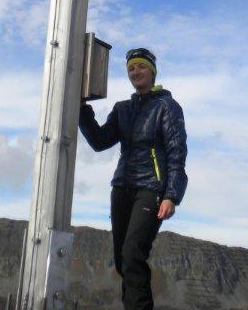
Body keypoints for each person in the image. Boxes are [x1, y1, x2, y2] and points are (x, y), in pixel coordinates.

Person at [79, 47, 188, 310]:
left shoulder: (167, 107)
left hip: (151, 189)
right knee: (122, 260)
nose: (135, 72)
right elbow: (100, 141)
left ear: (152, 71)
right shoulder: (122, 109)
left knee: (132, 254)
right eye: (131, 69)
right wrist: (82, 109)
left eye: (140, 67)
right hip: (121, 188)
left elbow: (176, 151)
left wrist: (172, 195)